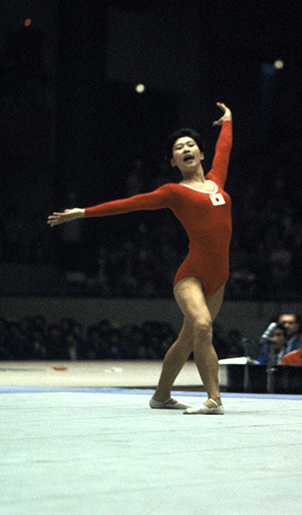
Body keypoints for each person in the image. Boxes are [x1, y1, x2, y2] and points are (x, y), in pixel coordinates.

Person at [48, 103, 232, 415]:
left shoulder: (218, 181)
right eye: (178, 148)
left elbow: (225, 148)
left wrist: (228, 121)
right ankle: (214, 398)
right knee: (202, 325)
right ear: (174, 162)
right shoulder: (174, 191)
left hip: (220, 277)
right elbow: (131, 203)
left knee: (188, 339)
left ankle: (160, 396)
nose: (185, 149)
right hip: (192, 275)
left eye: (190, 145)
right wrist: (83, 212)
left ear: (201, 153)